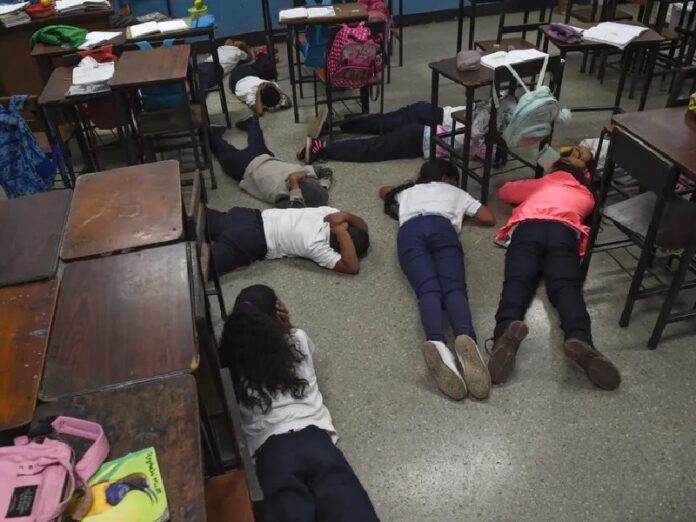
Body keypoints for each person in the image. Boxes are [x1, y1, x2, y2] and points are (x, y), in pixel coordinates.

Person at [220, 284, 380, 522]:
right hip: (316, 441)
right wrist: (287, 325)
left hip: (272, 454)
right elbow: (289, 338)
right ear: (277, 315)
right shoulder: (297, 339)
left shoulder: (231, 361)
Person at [488, 146, 622, 391]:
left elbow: (505, 192)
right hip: (564, 234)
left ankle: (505, 332)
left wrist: (543, 176)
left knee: (518, 282)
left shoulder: (543, 183)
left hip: (529, 229)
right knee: (566, 288)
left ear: (557, 167)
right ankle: (580, 337)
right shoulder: (587, 195)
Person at [379, 159, 497, 400]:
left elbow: (384, 191)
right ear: (447, 178)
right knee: (454, 289)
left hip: (410, 232)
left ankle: (437, 343)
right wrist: (461, 210)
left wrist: (406, 189)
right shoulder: (456, 192)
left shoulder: (409, 191)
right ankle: (466, 338)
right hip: (442, 228)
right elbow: (488, 218)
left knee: (428, 291)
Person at [298, 98, 514, 164]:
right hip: (423, 136)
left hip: (431, 116)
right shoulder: (480, 138)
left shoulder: (486, 109)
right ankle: (323, 147)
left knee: (383, 122)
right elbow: (477, 149)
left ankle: (337, 125)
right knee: (374, 148)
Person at [206, 205, 369, 276]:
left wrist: (345, 219)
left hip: (248, 219)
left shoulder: (328, 214)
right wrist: (341, 232)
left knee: (195, 221)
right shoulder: (318, 246)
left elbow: (363, 228)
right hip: (250, 239)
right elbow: (351, 266)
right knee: (198, 270)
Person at [210, 118, 334, 208]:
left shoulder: (283, 195)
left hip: (247, 166)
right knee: (233, 148)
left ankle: (248, 124)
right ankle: (216, 133)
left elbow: (293, 209)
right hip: (260, 159)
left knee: (226, 149)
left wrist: (295, 183)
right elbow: (327, 172)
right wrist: (322, 187)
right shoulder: (303, 177)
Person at [228, 51, 290, 115]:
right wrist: (273, 87)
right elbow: (259, 112)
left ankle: (258, 59)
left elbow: (259, 112)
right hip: (248, 75)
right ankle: (259, 58)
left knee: (264, 67)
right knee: (270, 70)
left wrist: (260, 90)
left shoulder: (252, 93)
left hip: (238, 78)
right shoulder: (255, 91)